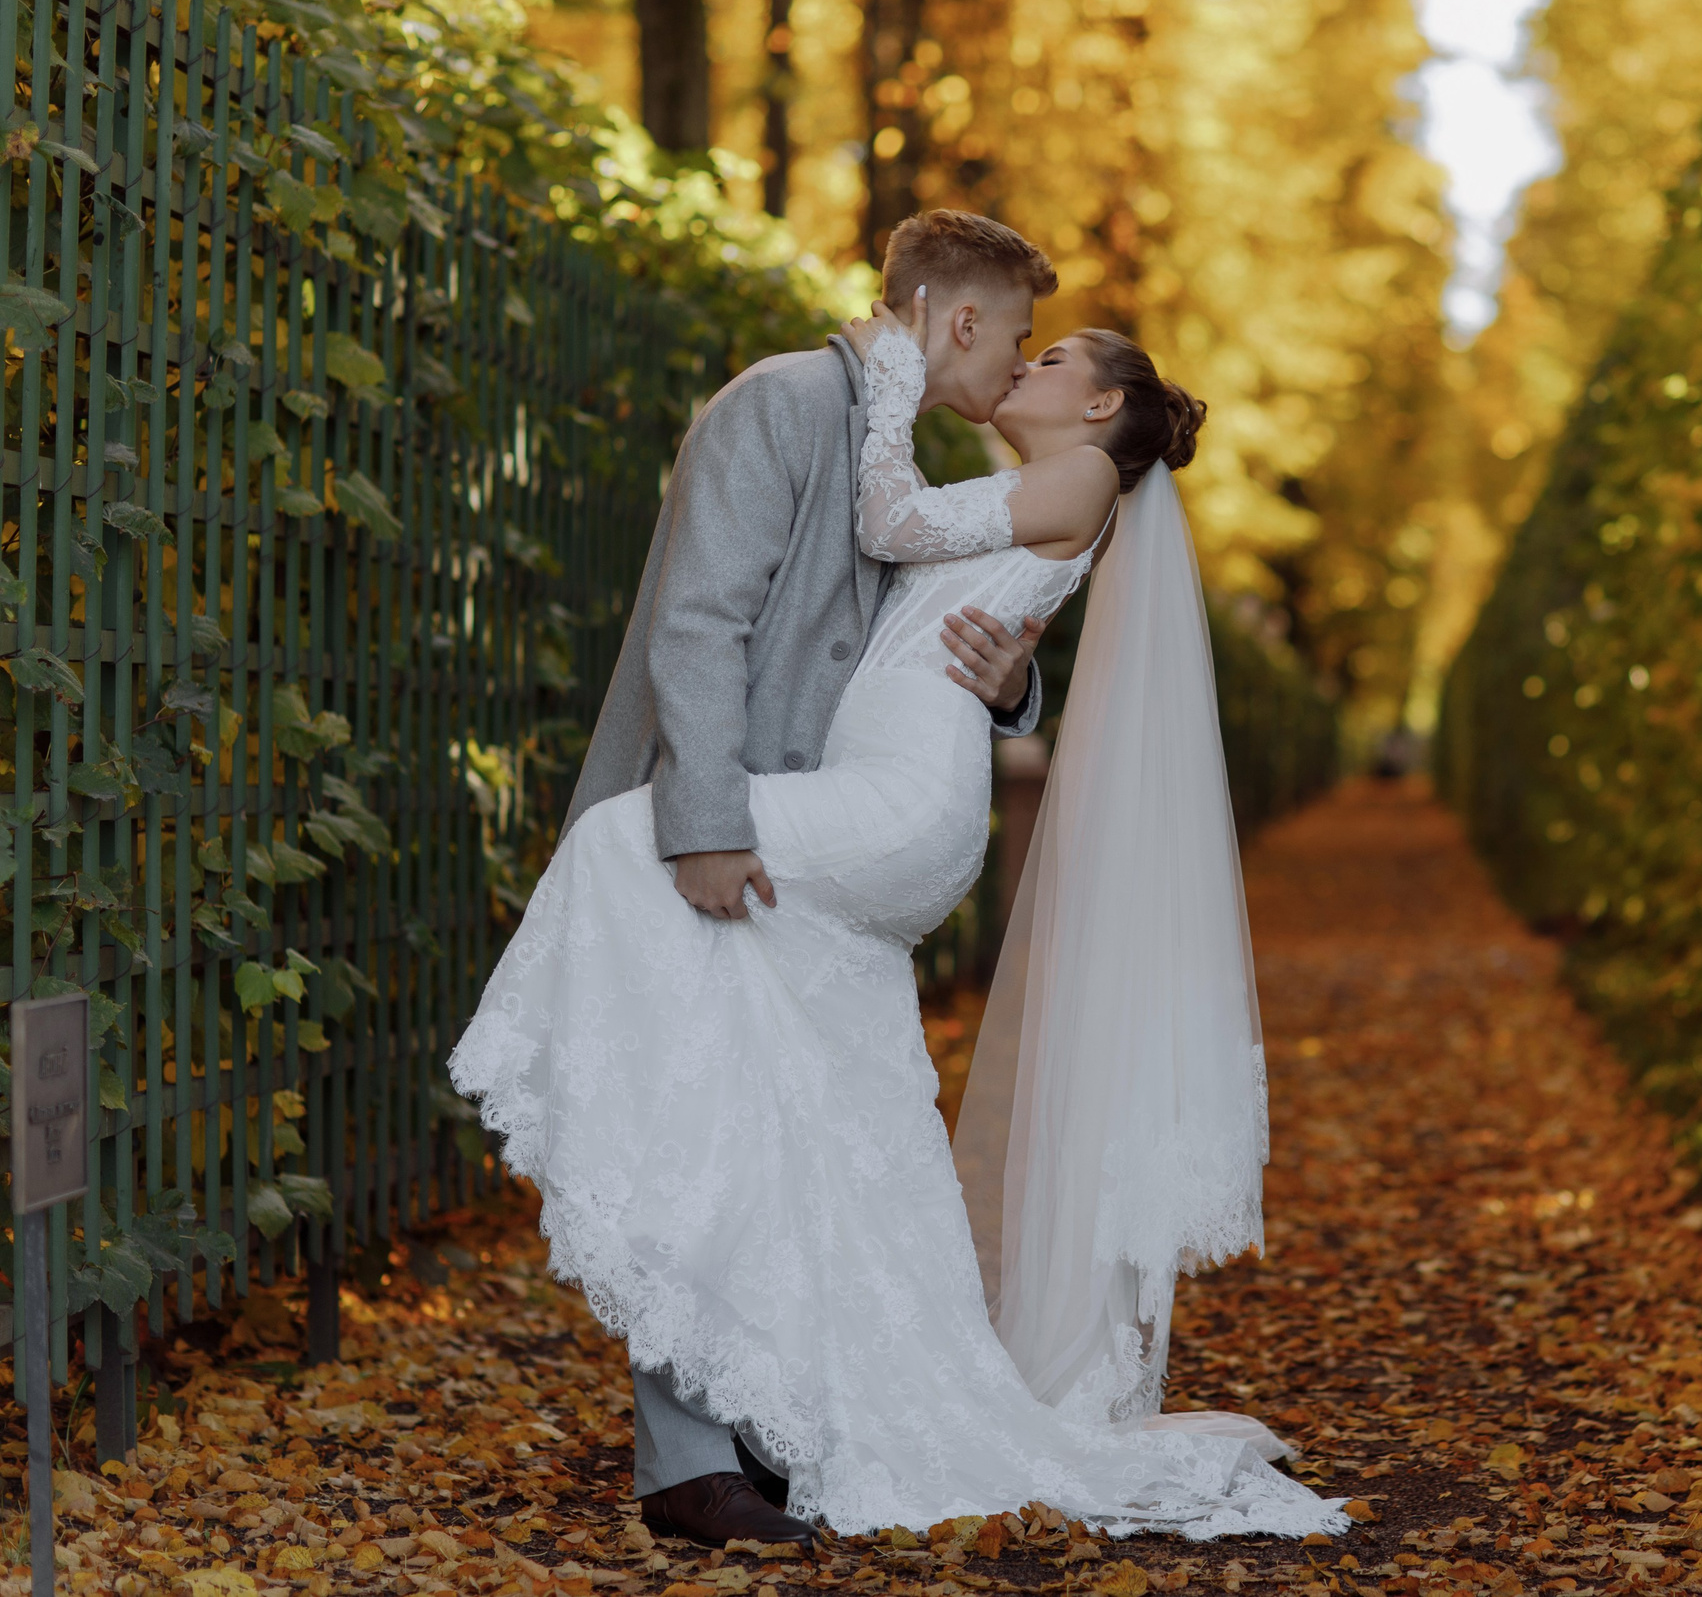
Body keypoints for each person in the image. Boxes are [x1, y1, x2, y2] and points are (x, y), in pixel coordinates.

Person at [448, 219, 1341, 1546]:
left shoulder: (942, 449)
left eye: (1054, 357)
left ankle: (692, 1422)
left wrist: (1001, 676)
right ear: (958, 322)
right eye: (1019, 341)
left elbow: (912, 567)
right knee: (838, 1116)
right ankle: (823, 1400)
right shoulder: (781, 403)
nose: (1025, 366)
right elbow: (723, 613)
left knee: (612, 880)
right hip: (819, 800)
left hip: (865, 811)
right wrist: (1007, 677)